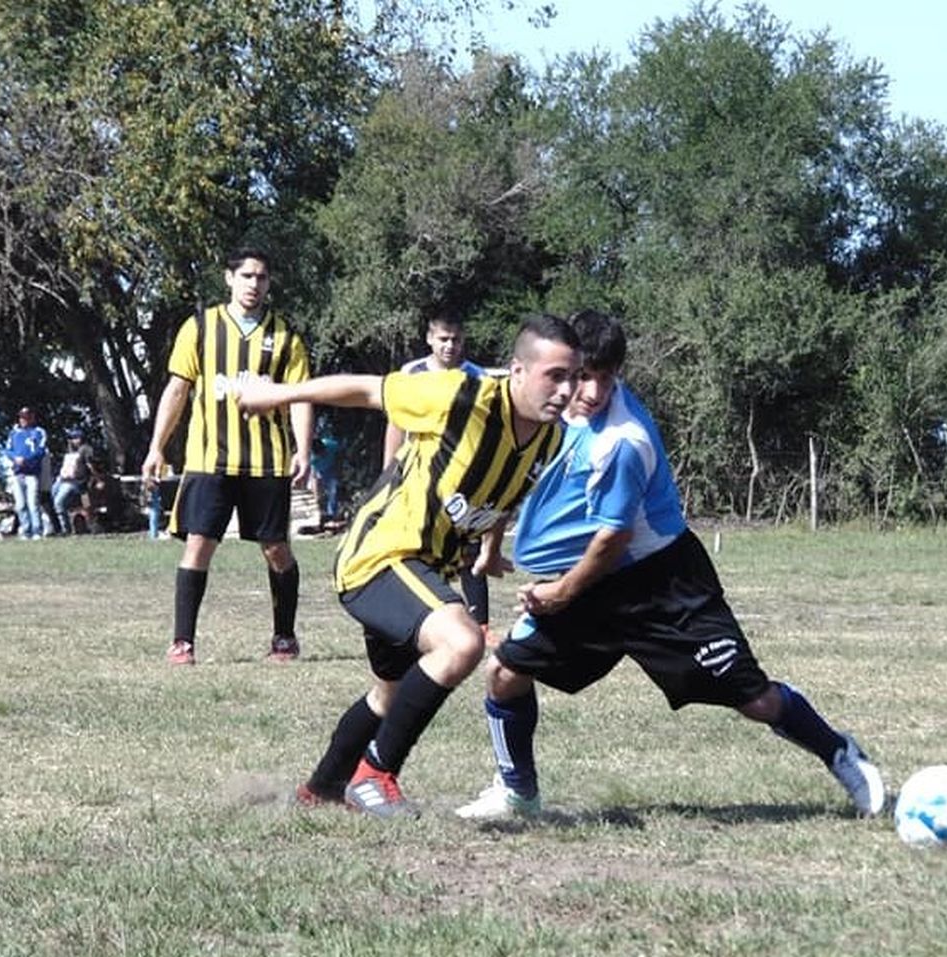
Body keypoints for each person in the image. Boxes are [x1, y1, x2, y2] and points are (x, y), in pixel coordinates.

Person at [454, 311, 885, 821]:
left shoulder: (622, 441)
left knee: (755, 700)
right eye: (582, 375)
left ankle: (839, 751)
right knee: (504, 673)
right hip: (593, 584)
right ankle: (518, 792)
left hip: (662, 585)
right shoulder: (542, 401)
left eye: (605, 378)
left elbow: (613, 540)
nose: (591, 392)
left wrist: (561, 592)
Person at [235, 314, 581, 817]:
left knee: (391, 695)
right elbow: (365, 390)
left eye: (573, 376)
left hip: (424, 569)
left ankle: (323, 788)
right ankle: (374, 777)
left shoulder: (548, 439)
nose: (566, 389)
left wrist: (489, 548)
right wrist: (273, 396)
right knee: (461, 642)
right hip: (380, 556)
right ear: (517, 371)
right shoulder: (462, 397)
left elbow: (502, 498)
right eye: (555, 375)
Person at [140, 246, 313, 665]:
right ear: (229, 279)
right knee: (198, 545)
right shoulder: (200, 327)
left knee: (276, 549)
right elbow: (177, 390)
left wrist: (302, 450)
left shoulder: (285, 335)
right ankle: (183, 642)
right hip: (208, 460)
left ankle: (284, 638)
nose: (254, 284)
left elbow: (301, 398)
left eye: (262, 277)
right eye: (247, 276)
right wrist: (156, 447)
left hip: (266, 461)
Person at [382, 313, 494, 638]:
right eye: (443, 339)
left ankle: (481, 623)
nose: (449, 346)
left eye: (455, 339)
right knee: (417, 544)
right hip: (418, 477)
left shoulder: (478, 377)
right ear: (430, 338)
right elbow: (396, 424)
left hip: (461, 480)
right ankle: (419, 615)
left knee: (468, 547)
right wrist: (390, 471)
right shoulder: (411, 374)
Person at [6, 407, 48, 540]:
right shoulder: (14, 433)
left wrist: (27, 460)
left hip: (31, 473)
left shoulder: (39, 432)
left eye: (27, 417)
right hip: (17, 473)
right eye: (22, 417)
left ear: (32, 417)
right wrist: (15, 459)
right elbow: (8, 450)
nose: (23, 420)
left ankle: (37, 530)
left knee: (33, 503)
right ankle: (25, 529)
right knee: (20, 504)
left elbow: (41, 451)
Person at [52, 428, 97, 534]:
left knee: (60, 502)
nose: (73, 441)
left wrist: (96, 478)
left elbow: (91, 466)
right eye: (71, 438)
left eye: (75, 438)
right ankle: (55, 526)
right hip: (63, 479)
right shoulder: (70, 451)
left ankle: (65, 529)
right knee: (50, 499)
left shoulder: (86, 449)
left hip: (78, 483)